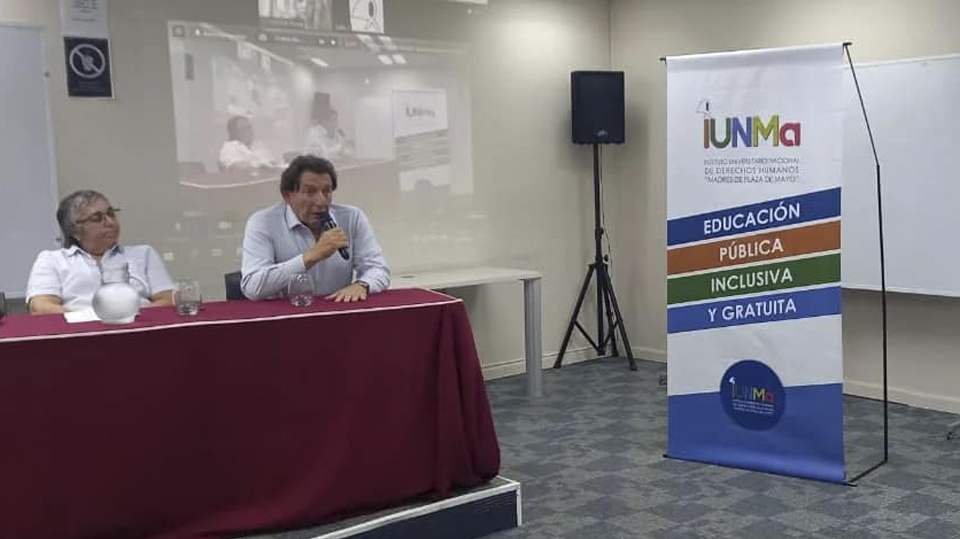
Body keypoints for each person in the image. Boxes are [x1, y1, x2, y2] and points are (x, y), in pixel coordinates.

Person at [240, 155, 389, 302]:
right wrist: (312, 256)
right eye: (309, 192)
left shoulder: (352, 218)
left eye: (327, 191)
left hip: (337, 310)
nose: (321, 201)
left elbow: (378, 269)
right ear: (287, 196)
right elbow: (253, 287)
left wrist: (363, 285)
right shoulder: (263, 223)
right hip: (287, 313)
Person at [26, 190, 175, 314]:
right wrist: (89, 319)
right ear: (74, 230)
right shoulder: (52, 260)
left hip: (138, 328)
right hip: (81, 332)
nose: (110, 222)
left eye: (111, 214)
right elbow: (41, 307)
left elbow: (169, 300)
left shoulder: (143, 254)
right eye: (97, 218)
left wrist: (128, 316)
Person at [305, 93, 351, 161]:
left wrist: (345, 153)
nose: (336, 123)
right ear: (324, 121)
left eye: (336, 120)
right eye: (333, 120)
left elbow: (346, 150)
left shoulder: (338, 132)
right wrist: (337, 148)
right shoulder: (314, 133)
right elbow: (321, 155)